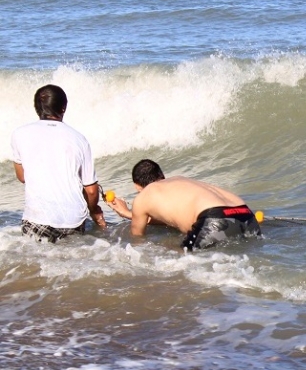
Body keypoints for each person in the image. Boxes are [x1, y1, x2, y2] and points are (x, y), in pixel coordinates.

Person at [10, 84, 105, 242]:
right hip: (73, 219)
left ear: (37, 108)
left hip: (37, 218)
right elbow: (91, 190)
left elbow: (22, 177)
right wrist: (94, 210)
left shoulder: (19, 134)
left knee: (37, 264)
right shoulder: (79, 139)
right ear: (63, 108)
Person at [108, 159, 261, 250]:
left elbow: (137, 239)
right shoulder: (179, 180)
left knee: (173, 257)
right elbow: (176, 217)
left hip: (213, 218)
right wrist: (129, 214)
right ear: (162, 176)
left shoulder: (143, 197)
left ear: (137, 186)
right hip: (245, 214)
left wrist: (130, 213)